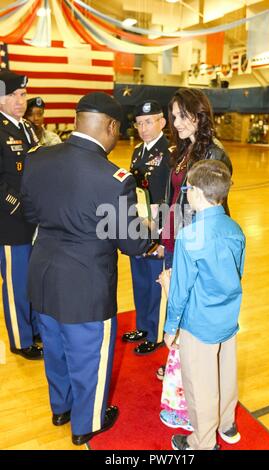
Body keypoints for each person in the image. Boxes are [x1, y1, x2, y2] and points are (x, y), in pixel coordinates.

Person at [21, 92, 150, 446]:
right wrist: (150, 231)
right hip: (85, 283)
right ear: (110, 126)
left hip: (43, 271)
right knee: (88, 355)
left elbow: (31, 214)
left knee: (56, 348)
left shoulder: (38, 158)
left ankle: (60, 408)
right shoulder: (113, 178)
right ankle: (87, 423)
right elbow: (131, 242)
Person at [160, 159, 245, 451]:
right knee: (226, 375)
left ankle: (202, 441)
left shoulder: (189, 236)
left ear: (196, 193)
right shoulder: (235, 229)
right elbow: (238, 273)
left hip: (199, 322)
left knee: (200, 385)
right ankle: (227, 425)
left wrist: (170, 328)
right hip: (228, 318)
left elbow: (181, 290)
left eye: (187, 189)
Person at [156, 88, 233, 384]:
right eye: (173, 116)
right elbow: (175, 196)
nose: (176, 123)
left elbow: (213, 206)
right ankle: (179, 361)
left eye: (183, 115)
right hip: (178, 236)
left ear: (199, 114)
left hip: (196, 242)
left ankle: (193, 368)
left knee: (190, 302)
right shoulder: (183, 150)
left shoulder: (214, 153)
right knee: (177, 299)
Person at [0, 70, 43, 360]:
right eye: (13, 94)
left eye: (23, 94)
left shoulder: (27, 128)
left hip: (33, 218)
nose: (20, 100)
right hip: (10, 219)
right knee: (15, 283)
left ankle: (35, 328)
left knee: (31, 278)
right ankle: (20, 337)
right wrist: (16, 205)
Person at [122, 100, 171, 355]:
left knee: (155, 282)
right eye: (139, 123)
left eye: (148, 121)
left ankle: (157, 332)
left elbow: (172, 196)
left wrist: (164, 233)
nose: (143, 128)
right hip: (139, 227)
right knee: (140, 280)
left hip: (159, 228)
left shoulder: (171, 151)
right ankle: (143, 326)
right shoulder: (137, 152)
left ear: (162, 122)